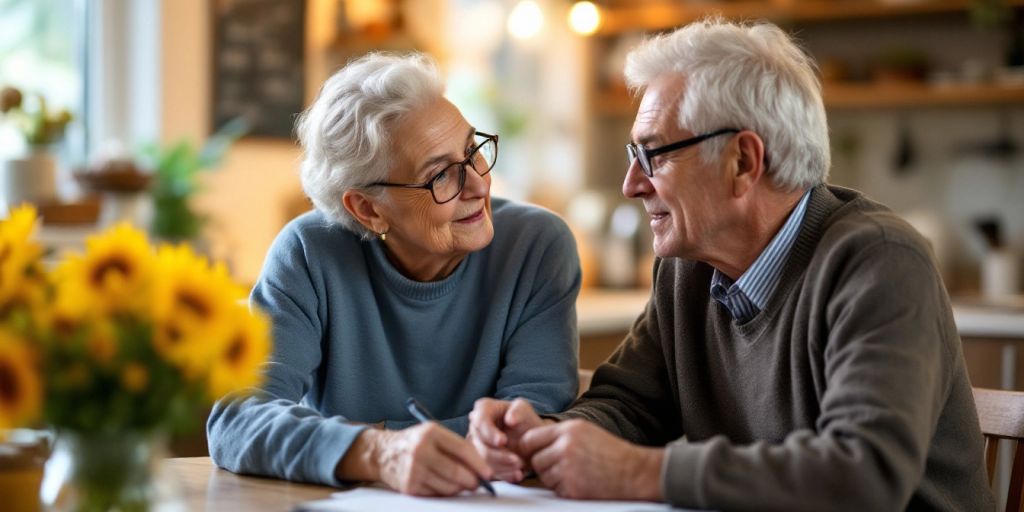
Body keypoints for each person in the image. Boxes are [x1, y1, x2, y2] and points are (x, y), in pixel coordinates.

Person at [469, 19, 994, 511]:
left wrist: (639, 472)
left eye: (653, 155)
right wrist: (541, 439)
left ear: (743, 161)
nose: (631, 184)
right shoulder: (688, 269)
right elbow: (627, 405)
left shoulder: (879, 262)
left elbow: (864, 476)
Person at [207, 52, 581, 497]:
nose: (480, 184)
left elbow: (529, 429)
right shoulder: (308, 253)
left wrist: (366, 436)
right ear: (368, 209)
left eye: (472, 150)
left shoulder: (537, 246)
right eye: (441, 175)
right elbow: (236, 418)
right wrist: (380, 452)